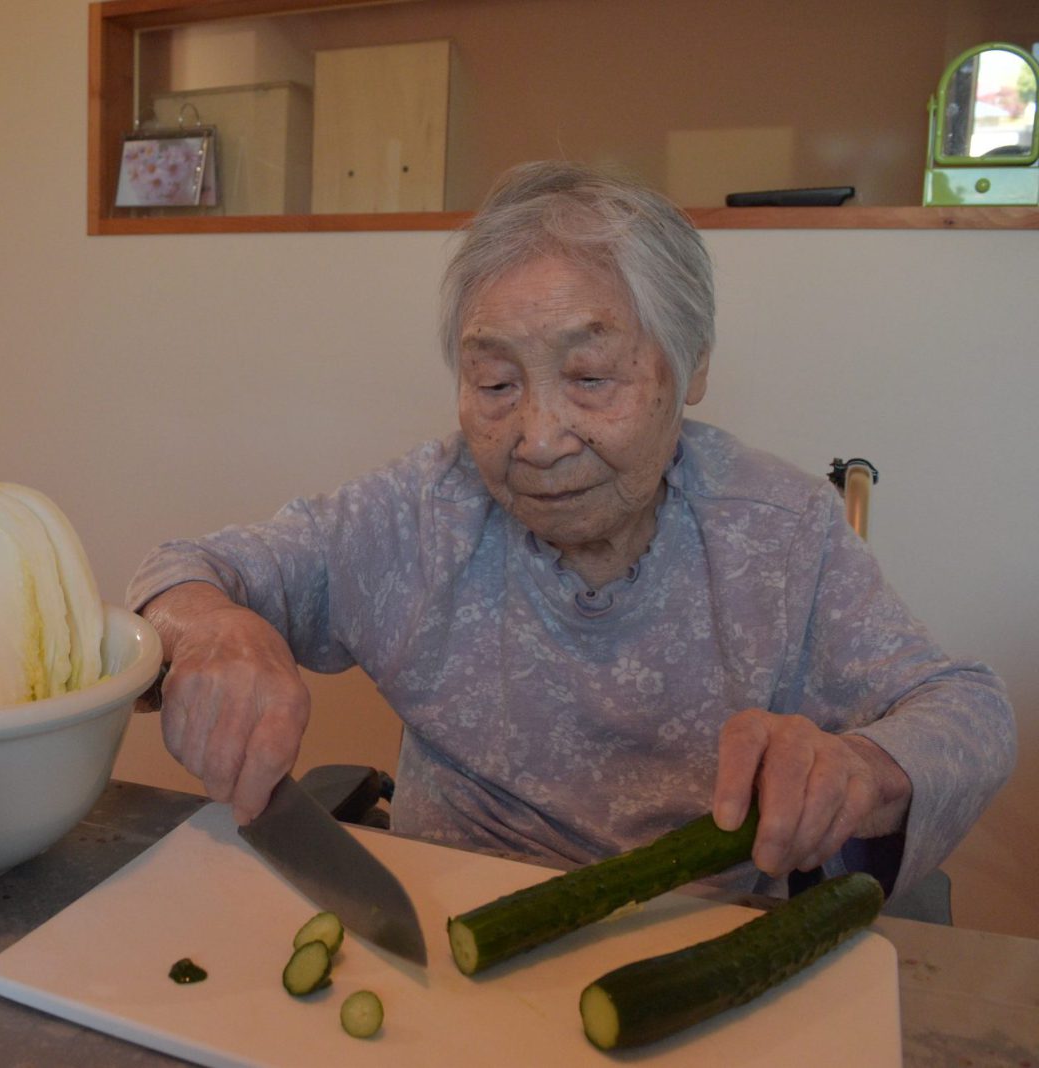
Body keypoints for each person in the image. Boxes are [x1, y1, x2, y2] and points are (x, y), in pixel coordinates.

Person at [126, 161, 1015, 902]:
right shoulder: (419, 512)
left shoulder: (780, 534)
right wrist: (210, 628)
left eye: (590, 376)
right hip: (451, 928)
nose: (538, 440)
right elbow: (186, 570)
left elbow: (969, 708)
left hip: (689, 950)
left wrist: (862, 767)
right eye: (496, 384)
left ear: (691, 368)